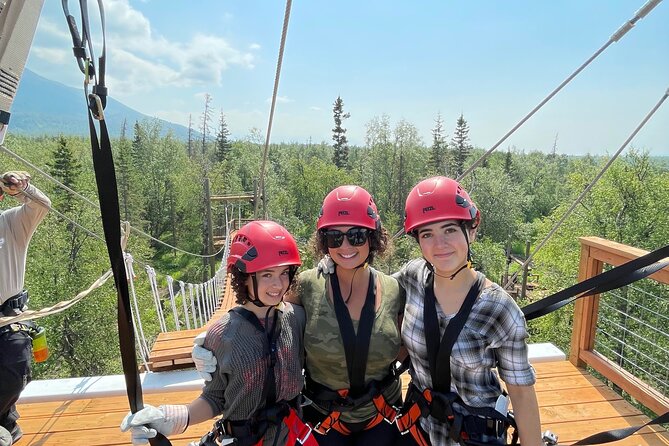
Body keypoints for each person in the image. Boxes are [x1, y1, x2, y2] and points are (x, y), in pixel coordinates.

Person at [121, 220, 317, 446]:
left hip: (291, 436)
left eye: (284, 273)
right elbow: (215, 398)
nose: (278, 284)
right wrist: (171, 419)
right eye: (266, 275)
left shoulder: (296, 319)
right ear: (244, 277)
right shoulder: (223, 333)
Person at [394, 176, 543, 446]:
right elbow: (372, 292)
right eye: (427, 234)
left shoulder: (498, 308)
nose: (439, 244)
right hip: (420, 426)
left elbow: (521, 393)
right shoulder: (413, 277)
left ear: (471, 230)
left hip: (471, 435)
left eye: (449, 229)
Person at [289, 185, 412, 446]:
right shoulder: (307, 285)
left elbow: (410, 349)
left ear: (372, 238)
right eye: (335, 237)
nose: (345, 246)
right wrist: (225, 337)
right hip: (323, 420)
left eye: (356, 236)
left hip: (382, 418)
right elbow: (267, 312)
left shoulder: (393, 290)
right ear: (324, 241)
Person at [0, 170, 51, 445]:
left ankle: (5, 421)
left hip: (8, 319)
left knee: (16, 369)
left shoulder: (10, 224)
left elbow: (41, 205)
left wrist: (22, 189)